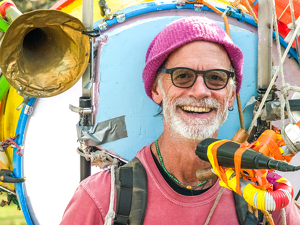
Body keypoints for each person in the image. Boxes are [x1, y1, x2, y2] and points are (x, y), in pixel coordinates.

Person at [60, 17, 300, 225]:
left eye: (216, 78)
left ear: (230, 96)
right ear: (156, 89)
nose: (200, 91)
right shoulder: (101, 199)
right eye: (182, 76)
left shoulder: (264, 196)